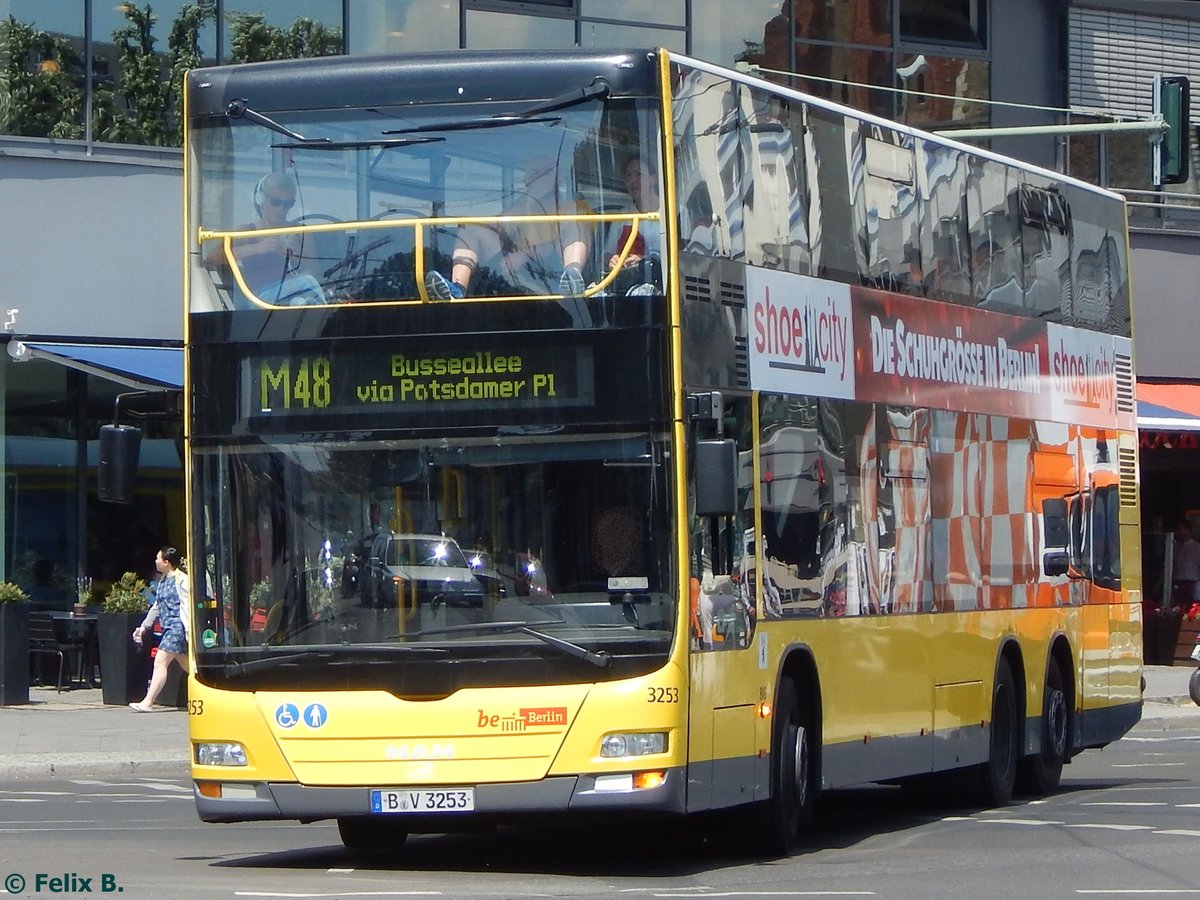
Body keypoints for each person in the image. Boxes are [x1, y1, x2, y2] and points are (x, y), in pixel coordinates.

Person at [425, 155, 588, 300]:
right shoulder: (522, 207)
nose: (530, 177)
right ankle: (457, 290)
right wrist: (530, 200)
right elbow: (501, 229)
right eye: (530, 173)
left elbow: (559, 243)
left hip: (553, 271)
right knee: (471, 228)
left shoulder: (574, 209)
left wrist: (526, 254)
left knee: (574, 221)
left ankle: (572, 279)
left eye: (539, 172)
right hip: (517, 273)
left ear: (557, 177)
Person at [205, 171, 324, 306]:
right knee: (307, 282)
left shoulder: (300, 232)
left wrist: (296, 256)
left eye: (288, 204)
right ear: (260, 199)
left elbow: (316, 272)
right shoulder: (246, 231)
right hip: (258, 300)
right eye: (275, 202)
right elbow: (212, 257)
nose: (281, 209)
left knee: (301, 301)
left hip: (291, 294)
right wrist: (257, 248)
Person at [128, 547, 189, 712]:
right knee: (188, 665)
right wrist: (144, 626)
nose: (155, 561)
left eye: (158, 558)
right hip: (167, 627)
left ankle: (148, 702)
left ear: (166, 562)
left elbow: (190, 603)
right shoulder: (162, 580)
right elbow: (157, 606)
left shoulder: (181, 580)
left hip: (177, 627)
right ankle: (211, 683)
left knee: (160, 661)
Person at [602, 154, 662, 296]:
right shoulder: (623, 216)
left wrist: (643, 261)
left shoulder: (674, 212)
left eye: (638, 174)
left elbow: (682, 255)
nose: (632, 180)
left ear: (653, 178)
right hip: (627, 287)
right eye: (628, 176)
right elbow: (606, 254)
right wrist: (612, 260)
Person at [1172, 519, 1200, 607]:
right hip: (1178, 580)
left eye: (1182, 529)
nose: (1180, 532)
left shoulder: (1197, 547)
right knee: (1178, 605)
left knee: (1191, 606)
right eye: (1178, 529)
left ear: (1188, 530)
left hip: (1192, 581)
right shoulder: (1175, 546)